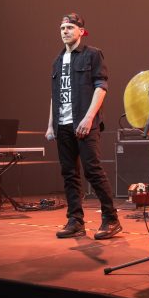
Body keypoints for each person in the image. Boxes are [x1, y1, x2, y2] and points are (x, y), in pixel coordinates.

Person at [46, 13, 122, 239]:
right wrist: (51, 125)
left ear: (81, 31)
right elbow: (55, 95)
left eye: (70, 27)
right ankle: (75, 220)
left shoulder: (92, 54)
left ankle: (111, 219)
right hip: (63, 125)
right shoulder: (57, 61)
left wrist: (89, 118)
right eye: (62, 28)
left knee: (93, 171)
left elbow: (101, 87)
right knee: (69, 174)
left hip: (85, 123)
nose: (65, 31)